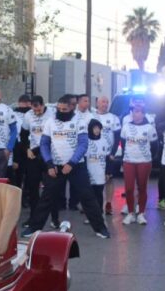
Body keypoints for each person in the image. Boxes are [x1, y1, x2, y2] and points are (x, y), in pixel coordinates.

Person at [21, 96, 110, 239]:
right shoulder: (51, 122)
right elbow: (44, 144)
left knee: (88, 197)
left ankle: (100, 228)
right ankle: (34, 227)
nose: (61, 111)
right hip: (55, 166)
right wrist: (49, 163)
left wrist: (71, 163)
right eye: (59, 109)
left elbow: (83, 144)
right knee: (46, 198)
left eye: (64, 109)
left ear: (71, 108)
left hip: (76, 166)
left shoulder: (79, 122)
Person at [21, 96, 57, 227]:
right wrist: (27, 149)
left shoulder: (52, 114)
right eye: (34, 109)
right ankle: (33, 218)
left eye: (38, 109)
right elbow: (23, 134)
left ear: (43, 105)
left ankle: (54, 218)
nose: (36, 112)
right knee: (32, 187)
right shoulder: (28, 115)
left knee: (51, 187)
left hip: (49, 153)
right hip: (34, 154)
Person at [120, 105, 156, 226]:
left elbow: (155, 145)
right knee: (129, 189)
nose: (137, 114)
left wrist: (150, 158)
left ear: (143, 114)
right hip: (129, 161)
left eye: (140, 112)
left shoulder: (149, 128)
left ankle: (141, 213)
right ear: (132, 113)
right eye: (135, 112)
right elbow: (123, 143)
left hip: (144, 162)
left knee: (142, 188)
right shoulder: (126, 127)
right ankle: (130, 213)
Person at [94, 96, 121, 214]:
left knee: (109, 179)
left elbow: (117, 136)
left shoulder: (114, 118)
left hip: (108, 154)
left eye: (107, 102)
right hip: (94, 154)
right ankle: (94, 204)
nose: (105, 104)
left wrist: (113, 153)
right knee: (94, 179)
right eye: (102, 102)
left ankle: (108, 203)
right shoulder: (91, 117)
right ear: (97, 103)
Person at [85, 119, 111, 217]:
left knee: (99, 194)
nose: (96, 130)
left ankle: (100, 213)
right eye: (94, 128)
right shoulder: (86, 141)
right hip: (89, 172)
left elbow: (108, 158)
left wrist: (108, 172)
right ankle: (91, 216)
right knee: (90, 195)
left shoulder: (104, 141)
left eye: (98, 128)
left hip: (100, 172)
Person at [12, 95, 32, 192]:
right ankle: (19, 193)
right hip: (19, 145)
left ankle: (27, 194)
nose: (24, 104)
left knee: (30, 172)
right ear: (19, 103)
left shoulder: (33, 113)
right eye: (22, 102)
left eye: (26, 102)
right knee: (19, 172)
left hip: (31, 145)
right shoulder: (14, 114)